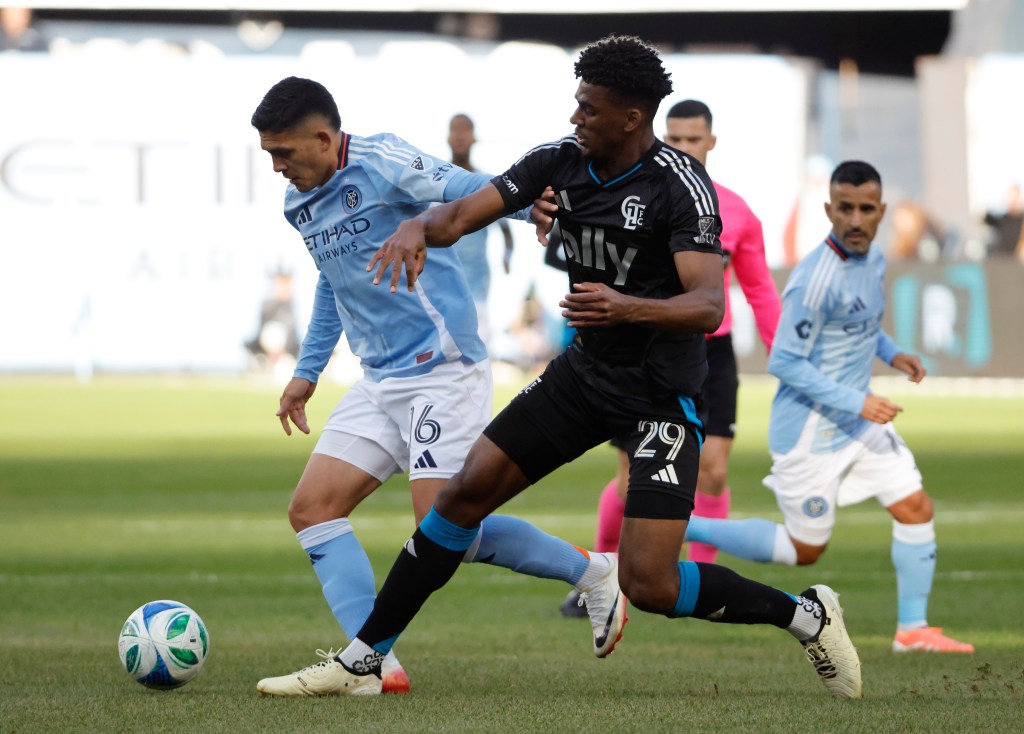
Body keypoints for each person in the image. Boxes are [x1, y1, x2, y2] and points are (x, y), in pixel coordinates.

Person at [268, 36, 863, 699]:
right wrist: (420, 227)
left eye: (590, 108)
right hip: (581, 378)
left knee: (652, 584)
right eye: (576, 104)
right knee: (460, 500)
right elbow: (468, 208)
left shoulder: (681, 187)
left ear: (632, 117)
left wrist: (625, 306)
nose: (576, 118)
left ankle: (806, 615)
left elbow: (704, 305)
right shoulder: (560, 160)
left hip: (660, 400)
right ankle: (364, 659)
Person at [249, 76, 625, 696]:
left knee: (446, 530)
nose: (277, 168)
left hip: (440, 372)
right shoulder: (300, 204)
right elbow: (332, 283)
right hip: (380, 381)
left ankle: (590, 571)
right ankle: (373, 669)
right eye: (269, 156)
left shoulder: (383, 160)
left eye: (283, 153)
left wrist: (527, 206)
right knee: (312, 510)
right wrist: (307, 372)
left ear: (323, 137)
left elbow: (470, 189)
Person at [682, 160, 974, 655]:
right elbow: (786, 363)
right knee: (805, 551)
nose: (855, 220)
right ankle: (676, 524)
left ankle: (912, 630)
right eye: (845, 208)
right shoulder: (814, 279)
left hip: (856, 424)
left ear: (881, 212)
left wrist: (891, 353)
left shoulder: (875, 260)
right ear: (828, 210)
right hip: (810, 431)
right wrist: (858, 401)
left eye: (865, 209)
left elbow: (862, 325)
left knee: (914, 506)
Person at [559, 98, 782, 618]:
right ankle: (602, 574)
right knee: (631, 475)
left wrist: (782, 357)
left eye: (693, 140)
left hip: (713, 349)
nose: (684, 148)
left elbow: (760, 290)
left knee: (716, 473)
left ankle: (698, 575)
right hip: (648, 347)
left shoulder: (738, 211)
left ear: (711, 142)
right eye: (675, 139)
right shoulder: (645, 192)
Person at [447, 113, 515, 345]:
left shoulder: (485, 186)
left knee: (477, 346)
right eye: (455, 130)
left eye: (465, 130)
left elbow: (506, 230)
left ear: (474, 138)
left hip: (476, 284)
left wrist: (507, 256)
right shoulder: (434, 181)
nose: (459, 136)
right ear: (447, 137)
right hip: (440, 282)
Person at [983, 183, 1024, 260]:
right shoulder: (1002, 219)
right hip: (1003, 259)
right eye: (1011, 198)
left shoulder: (1021, 219)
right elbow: (986, 218)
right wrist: (999, 204)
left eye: (1015, 198)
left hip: (1017, 259)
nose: (1013, 201)